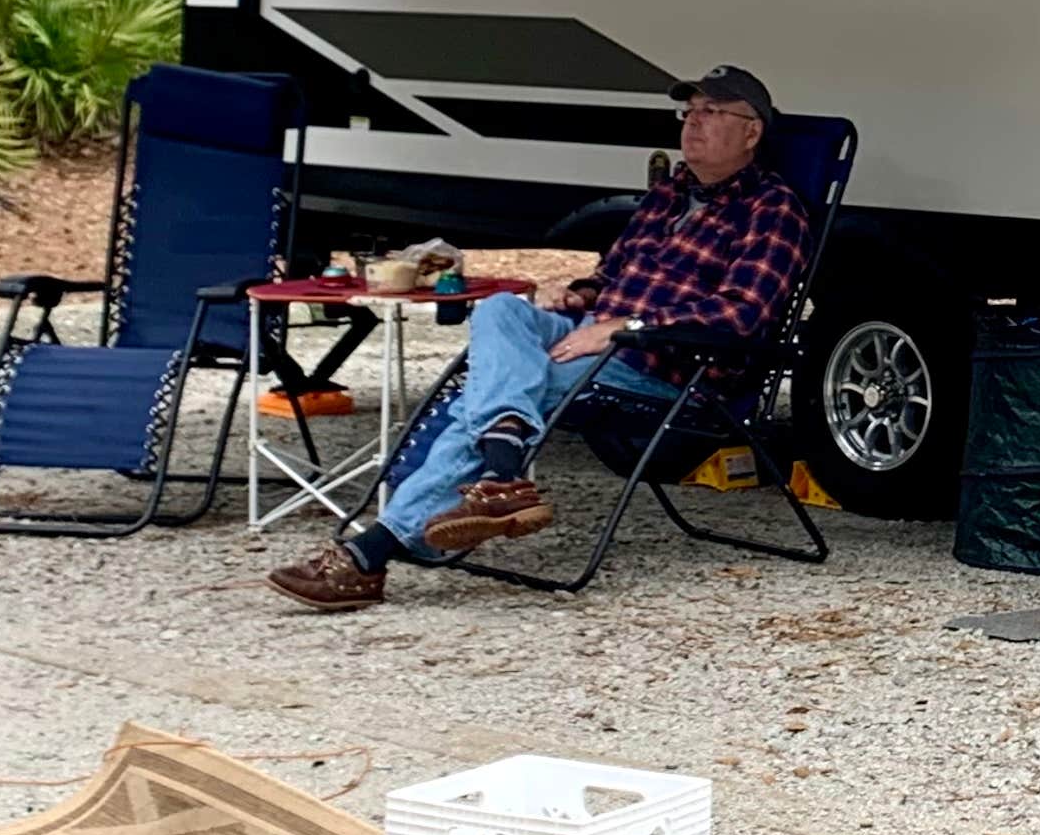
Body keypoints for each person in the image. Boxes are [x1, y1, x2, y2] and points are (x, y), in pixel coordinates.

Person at [269, 67, 814, 611]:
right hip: (596, 334)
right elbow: (613, 275)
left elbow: (740, 317)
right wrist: (581, 294)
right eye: (689, 111)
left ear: (751, 133)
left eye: (712, 112)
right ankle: (503, 470)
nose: (693, 123)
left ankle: (372, 552)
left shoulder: (772, 210)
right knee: (503, 310)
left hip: (666, 364)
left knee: (490, 390)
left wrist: (623, 328)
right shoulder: (669, 194)